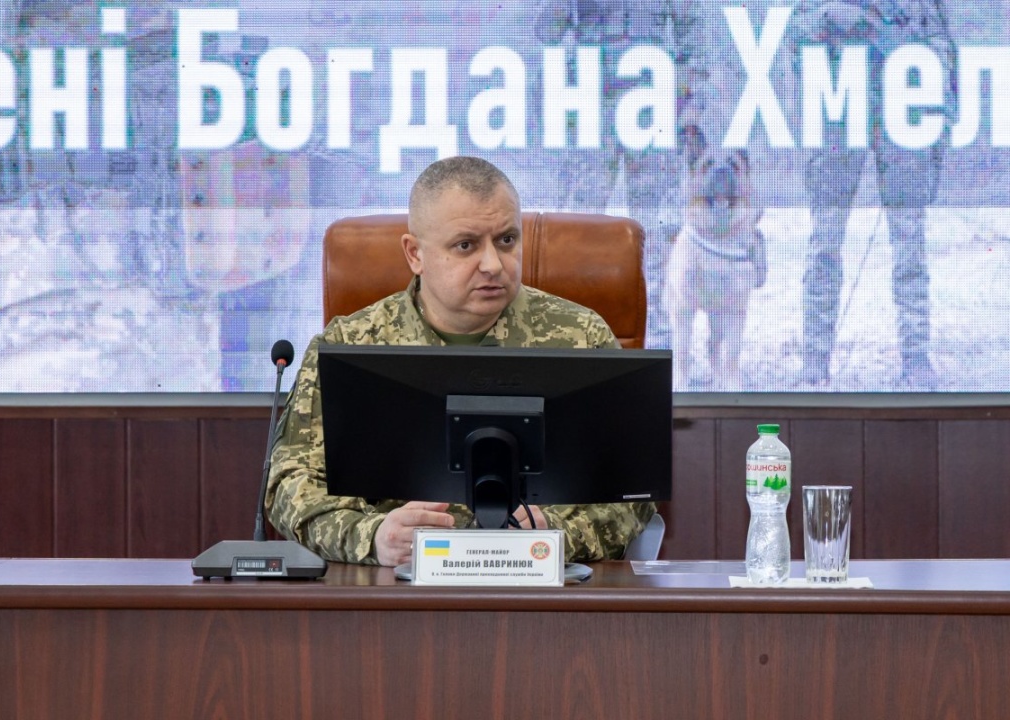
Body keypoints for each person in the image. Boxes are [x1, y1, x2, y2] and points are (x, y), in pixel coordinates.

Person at [265, 156, 657, 567]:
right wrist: (371, 536)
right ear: (415, 254)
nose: (493, 264)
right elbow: (289, 484)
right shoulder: (349, 344)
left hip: (542, 584)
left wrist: (558, 533)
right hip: (398, 589)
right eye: (466, 245)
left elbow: (633, 493)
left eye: (506, 240)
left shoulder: (580, 338)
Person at [791, 0, 956, 390]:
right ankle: (815, 361)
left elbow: (942, 47)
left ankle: (916, 360)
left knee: (910, 246)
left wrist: (939, 121)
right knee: (825, 243)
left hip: (903, 111)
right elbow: (796, 32)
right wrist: (835, 19)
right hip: (839, 111)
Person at [533, 1, 707, 350]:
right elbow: (546, 31)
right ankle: (573, 335)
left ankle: (656, 340)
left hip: (652, 106)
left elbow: (693, 31)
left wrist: (690, 100)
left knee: (653, 233)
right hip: (591, 107)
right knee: (579, 231)